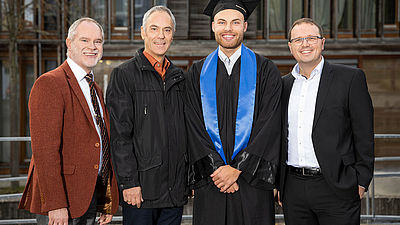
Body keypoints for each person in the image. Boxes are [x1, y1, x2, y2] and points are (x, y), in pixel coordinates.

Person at [184, 0, 282, 224]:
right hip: (212, 180)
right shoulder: (197, 73)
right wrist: (218, 169)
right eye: (222, 22)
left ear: (245, 26)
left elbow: (270, 125)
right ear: (213, 26)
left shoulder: (266, 70)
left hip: (251, 182)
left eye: (235, 22)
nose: (228, 28)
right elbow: (193, 126)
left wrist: (237, 169)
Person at [18, 17, 119, 225]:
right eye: (85, 40)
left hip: (90, 198)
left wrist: (105, 200)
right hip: (63, 203)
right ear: (69, 43)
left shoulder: (95, 89)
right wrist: (55, 204)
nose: (92, 47)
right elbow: (45, 152)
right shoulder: (50, 83)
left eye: (98, 42)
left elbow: (101, 144)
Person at [278, 18, 374, 225]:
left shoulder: (350, 79)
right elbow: (278, 136)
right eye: (298, 40)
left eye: (311, 38)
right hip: (293, 188)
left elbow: (364, 133)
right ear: (290, 47)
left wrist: (361, 180)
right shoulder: (282, 85)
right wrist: (278, 182)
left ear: (322, 42)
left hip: (337, 186)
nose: (305, 44)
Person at [106, 6, 187, 225]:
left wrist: (186, 180)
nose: (161, 35)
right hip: (141, 192)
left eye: (167, 30)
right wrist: (129, 183)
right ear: (142, 32)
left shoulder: (180, 77)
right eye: (154, 29)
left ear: (172, 35)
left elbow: (186, 133)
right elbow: (120, 136)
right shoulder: (123, 75)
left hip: (174, 192)